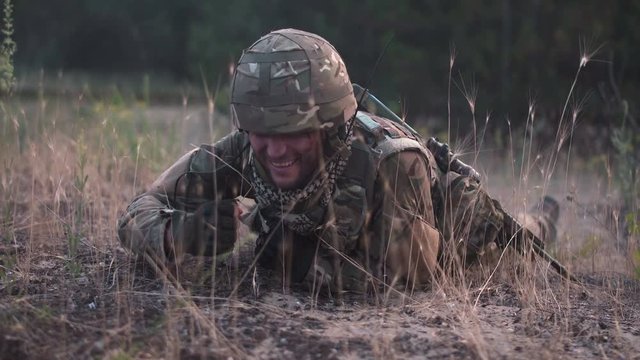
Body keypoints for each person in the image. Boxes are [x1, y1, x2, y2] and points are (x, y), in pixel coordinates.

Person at [117, 28, 557, 294]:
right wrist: (179, 234)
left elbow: (410, 279)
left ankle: (543, 219)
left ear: (331, 127)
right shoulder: (244, 149)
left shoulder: (388, 165)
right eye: (262, 133)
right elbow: (140, 208)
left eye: (294, 134)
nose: (275, 151)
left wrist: (294, 259)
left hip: (455, 227)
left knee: (518, 241)